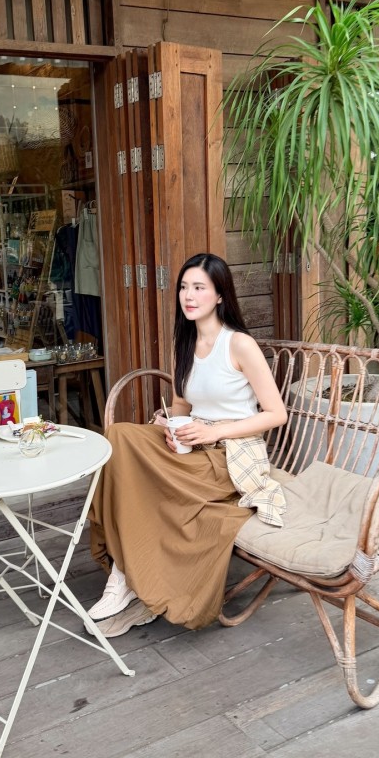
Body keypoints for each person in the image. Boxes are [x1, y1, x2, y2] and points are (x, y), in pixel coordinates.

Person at [87, 252, 288, 638]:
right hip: (192, 444)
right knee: (120, 438)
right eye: (183, 287)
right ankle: (127, 573)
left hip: (230, 453)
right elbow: (181, 406)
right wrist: (167, 426)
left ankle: (124, 576)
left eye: (199, 287)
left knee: (145, 480)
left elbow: (276, 413)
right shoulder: (185, 343)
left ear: (220, 295)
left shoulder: (239, 345)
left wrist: (214, 432)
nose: (189, 296)